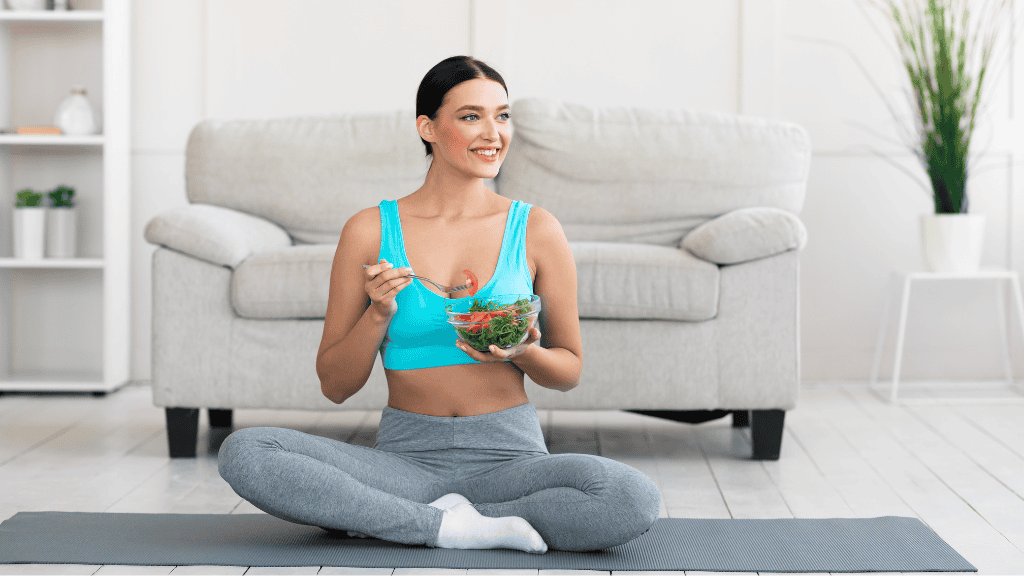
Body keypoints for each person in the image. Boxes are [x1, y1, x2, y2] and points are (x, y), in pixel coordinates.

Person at [217, 55, 661, 553]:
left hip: (511, 461)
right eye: (472, 116)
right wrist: (377, 314)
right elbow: (335, 386)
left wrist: (524, 352)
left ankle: (415, 522)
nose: (493, 132)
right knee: (248, 451)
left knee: (631, 498)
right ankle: (454, 528)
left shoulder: (537, 229)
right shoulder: (368, 231)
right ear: (427, 127)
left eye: (503, 115)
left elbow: (569, 369)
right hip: (404, 461)